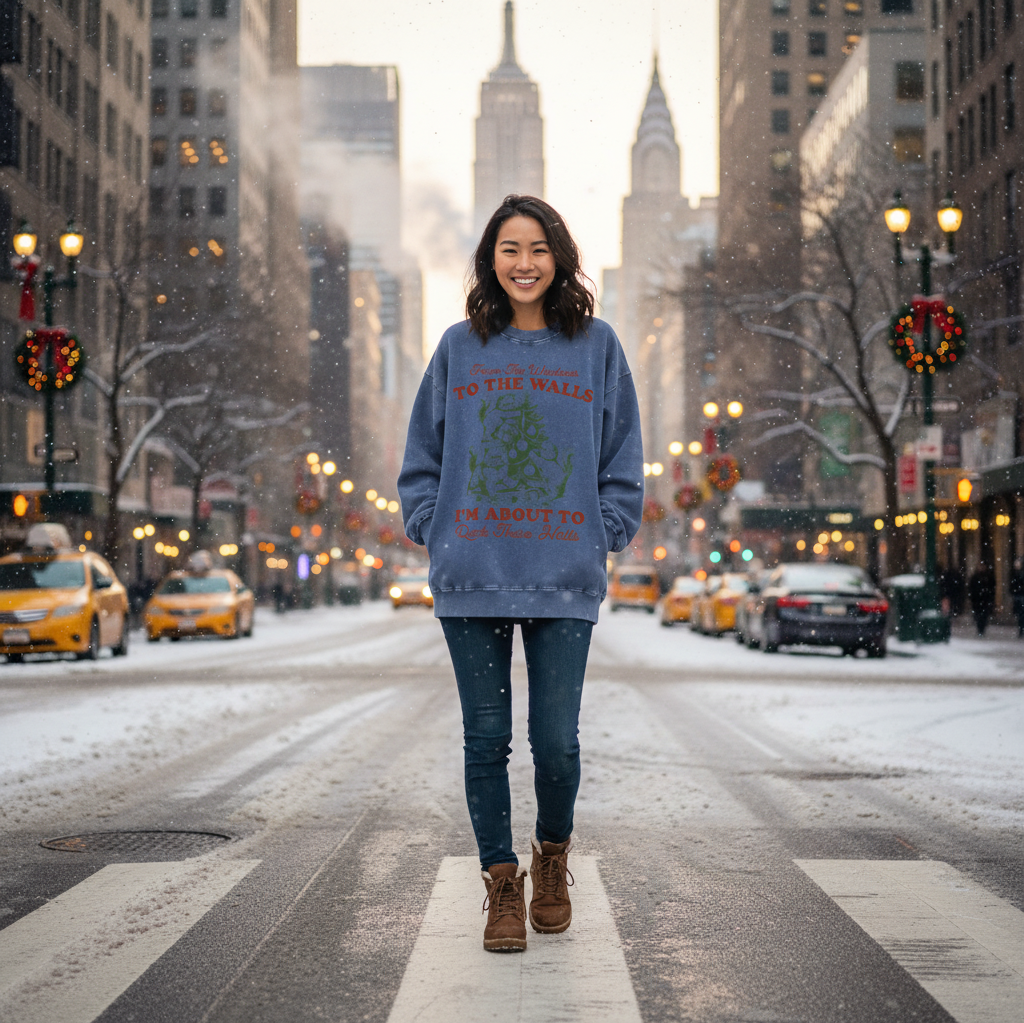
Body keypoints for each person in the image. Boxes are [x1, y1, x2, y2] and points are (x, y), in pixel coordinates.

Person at [398, 195, 643, 953]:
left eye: (537, 248)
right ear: (489, 260)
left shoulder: (596, 346)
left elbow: (622, 455)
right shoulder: (459, 348)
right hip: (473, 573)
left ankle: (552, 856)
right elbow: (422, 458)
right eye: (509, 248)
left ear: (559, 257)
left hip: (563, 574)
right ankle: (502, 882)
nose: (524, 263)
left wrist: (603, 531)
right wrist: (432, 526)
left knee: (557, 741)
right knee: (486, 739)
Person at [967, 562, 996, 636]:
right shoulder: (975, 577)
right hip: (977, 600)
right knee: (978, 615)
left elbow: (992, 588)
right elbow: (971, 588)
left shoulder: (988, 577)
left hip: (984, 600)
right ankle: (980, 628)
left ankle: (982, 628)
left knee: (984, 615)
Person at [1009, 557, 1024, 637]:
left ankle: (1021, 629)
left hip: (1020, 595)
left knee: (1021, 614)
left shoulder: (1020, 574)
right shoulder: (1014, 573)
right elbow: (1012, 585)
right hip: (1017, 595)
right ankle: (1021, 629)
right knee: (1019, 614)